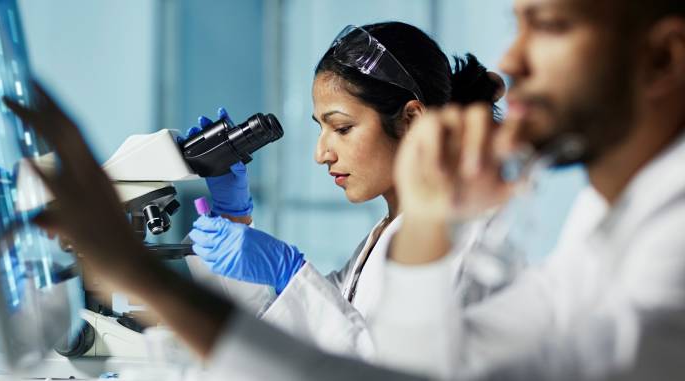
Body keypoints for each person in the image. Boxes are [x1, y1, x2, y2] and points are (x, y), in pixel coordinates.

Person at [3, 0, 685, 378]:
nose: (510, 61)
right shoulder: (603, 225)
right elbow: (332, 345)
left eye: (552, 25)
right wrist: (237, 224)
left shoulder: (664, 250)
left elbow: (364, 366)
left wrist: (143, 274)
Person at [182, 22, 504, 368]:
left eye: (342, 128)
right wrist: (235, 219)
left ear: (411, 120)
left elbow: (384, 373)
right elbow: (298, 343)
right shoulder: (385, 237)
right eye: (321, 128)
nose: (321, 153)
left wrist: (291, 274)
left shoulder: (453, 242)